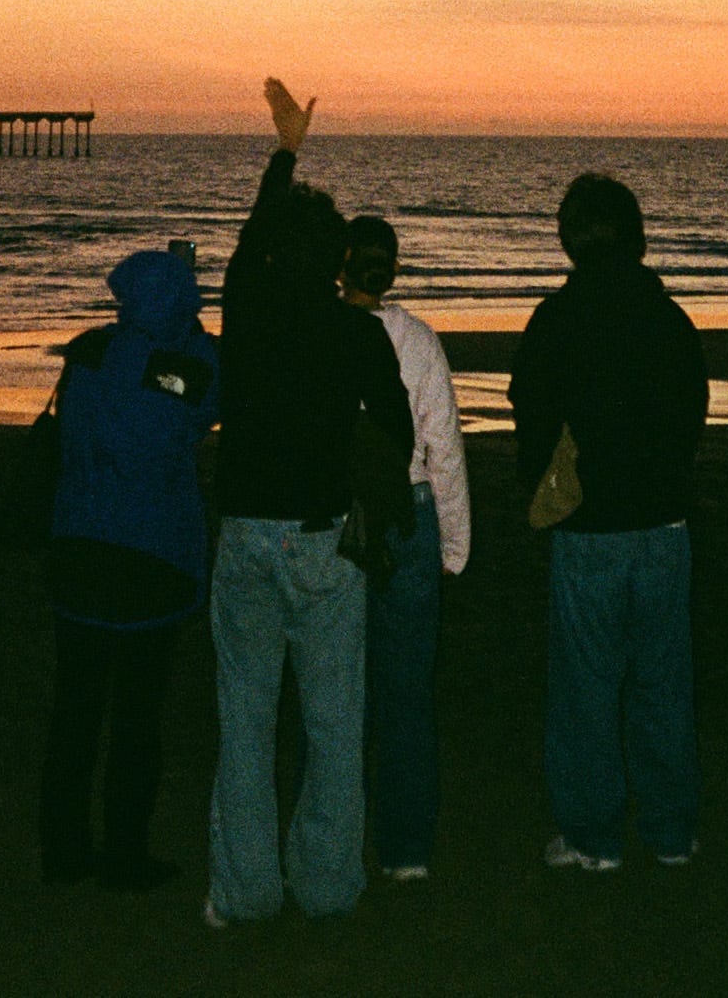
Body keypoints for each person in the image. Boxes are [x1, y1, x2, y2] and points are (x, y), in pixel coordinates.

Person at [206, 79, 415, 925]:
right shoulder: (356, 332)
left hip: (245, 530)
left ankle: (245, 891)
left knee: (245, 721)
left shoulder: (246, 309)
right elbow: (397, 428)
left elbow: (249, 241)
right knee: (333, 724)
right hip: (325, 535)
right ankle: (327, 886)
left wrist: (286, 152)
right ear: (336, 261)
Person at [508, 172, 709, 874]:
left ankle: (594, 837)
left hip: (589, 524)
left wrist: (547, 479)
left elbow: (529, 409)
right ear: (636, 237)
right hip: (663, 522)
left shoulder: (558, 318)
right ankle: (670, 831)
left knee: (586, 685)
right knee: (662, 681)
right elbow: (692, 410)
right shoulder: (667, 319)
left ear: (571, 240)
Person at [40, 246, 218, 891]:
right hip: (151, 556)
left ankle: (63, 851)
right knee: (138, 715)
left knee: (76, 709)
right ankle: (124, 852)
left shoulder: (89, 352)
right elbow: (206, 403)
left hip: (79, 545)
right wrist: (192, 337)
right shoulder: (184, 368)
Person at [339, 213, 470, 881]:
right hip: (409, 511)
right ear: (392, 268)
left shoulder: (324, 333)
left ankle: (335, 840)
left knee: (337, 687)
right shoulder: (417, 340)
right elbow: (443, 446)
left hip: (340, 513)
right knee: (407, 691)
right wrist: (454, 544)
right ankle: (407, 849)